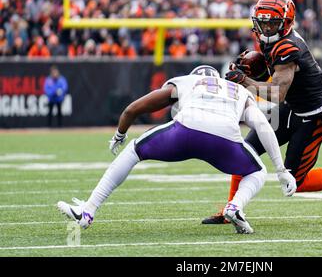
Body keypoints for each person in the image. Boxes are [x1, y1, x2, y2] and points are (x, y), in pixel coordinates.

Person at [57, 65, 296, 234]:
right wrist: (281, 169)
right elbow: (262, 125)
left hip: (185, 131)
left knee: (133, 150)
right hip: (225, 139)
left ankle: (88, 211)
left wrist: (120, 133)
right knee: (256, 172)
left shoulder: (188, 81)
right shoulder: (239, 90)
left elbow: (133, 108)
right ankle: (234, 207)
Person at [203, 0, 322, 224]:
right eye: (262, 22)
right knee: (243, 151)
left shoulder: (287, 47)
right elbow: (275, 76)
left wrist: (245, 81)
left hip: (314, 116)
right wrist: (255, 68)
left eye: (272, 23)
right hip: (291, 107)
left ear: (285, 24)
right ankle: (230, 210)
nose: (266, 28)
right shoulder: (272, 41)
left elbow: (277, 93)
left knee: (296, 181)